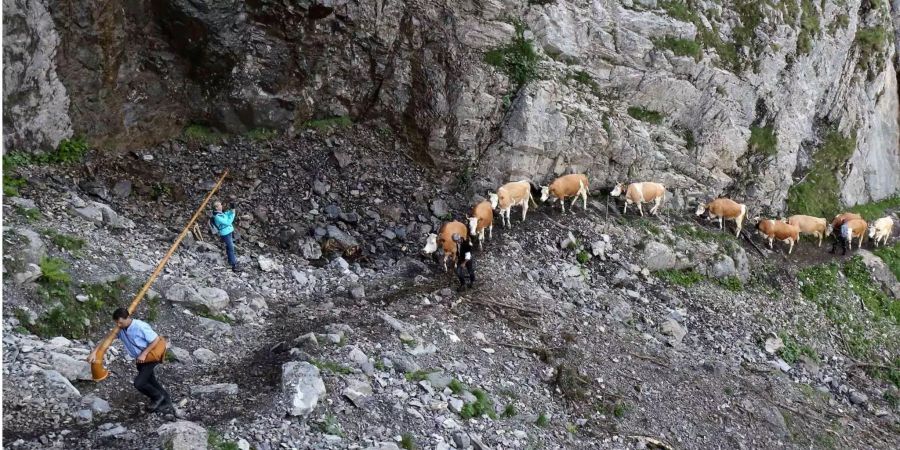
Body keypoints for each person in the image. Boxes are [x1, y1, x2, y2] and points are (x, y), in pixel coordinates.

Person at [89, 308, 172, 414]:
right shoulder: (121, 329)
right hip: (140, 360)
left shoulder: (140, 326)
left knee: (139, 383)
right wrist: (94, 352)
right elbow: (107, 339)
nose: (118, 325)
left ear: (127, 318)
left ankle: (157, 397)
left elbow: (155, 339)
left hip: (150, 357)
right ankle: (166, 402)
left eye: (120, 322)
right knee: (151, 381)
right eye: (116, 323)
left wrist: (144, 353)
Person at [213, 200, 241, 272]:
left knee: (229, 247)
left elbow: (228, 213)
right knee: (231, 248)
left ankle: (231, 262)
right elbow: (228, 222)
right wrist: (233, 214)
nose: (221, 206)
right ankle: (234, 265)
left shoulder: (221, 214)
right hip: (225, 233)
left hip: (228, 232)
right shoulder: (217, 217)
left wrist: (232, 210)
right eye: (219, 205)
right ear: (216, 207)